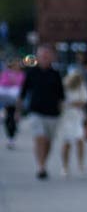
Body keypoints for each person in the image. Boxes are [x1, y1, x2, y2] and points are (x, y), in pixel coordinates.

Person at [16, 44, 65, 179]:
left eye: (47, 55)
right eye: (42, 55)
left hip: (53, 113)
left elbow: (61, 96)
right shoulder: (31, 73)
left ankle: (44, 162)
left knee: (48, 141)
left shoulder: (55, 74)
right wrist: (18, 111)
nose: (44, 58)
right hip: (36, 111)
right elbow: (23, 93)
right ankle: (41, 166)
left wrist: (63, 115)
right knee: (40, 138)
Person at [59, 69, 87, 175]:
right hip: (66, 118)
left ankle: (80, 164)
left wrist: (71, 104)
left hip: (77, 117)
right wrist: (74, 104)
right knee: (67, 142)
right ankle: (65, 166)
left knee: (80, 140)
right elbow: (60, 101)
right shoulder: (63, 85)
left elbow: (84, 101)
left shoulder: (81, 86)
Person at [0, 57, 25, 147]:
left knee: (13, 117)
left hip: (17, 100)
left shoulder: (22, 75)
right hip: (7, 99)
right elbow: (2, 83)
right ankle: (10, 136)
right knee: (8, 118)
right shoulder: (6, 73)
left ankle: (12, 136)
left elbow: (23, 85)